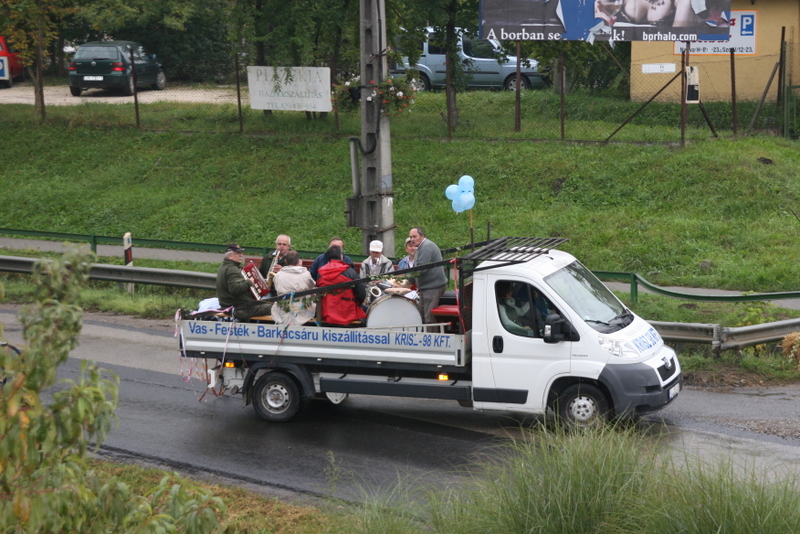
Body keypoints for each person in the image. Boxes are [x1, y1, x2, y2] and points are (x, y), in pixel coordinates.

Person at [216, 243, 273, 321]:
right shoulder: (232, 269)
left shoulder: (223, 267)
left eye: (241, 253)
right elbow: (235, 288)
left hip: (228, 306)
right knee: (274, 308)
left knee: (264, 304)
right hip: (240, 308)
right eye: (238, 253)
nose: (241, 255)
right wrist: (249, 282)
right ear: (229, 256)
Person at [316, 245, 366, 326]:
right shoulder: (350, 272)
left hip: (326, 314)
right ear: (341, 256)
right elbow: (361, 294)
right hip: (348, 314)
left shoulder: (320, 273)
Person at [408, 227, 447, 325]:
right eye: (410, 237)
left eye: (414, 236)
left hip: (433, 287)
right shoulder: (420, 247)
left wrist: (406, 280)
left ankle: (431, 334)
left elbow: (421, 269)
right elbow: (417, 268)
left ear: (422, 236)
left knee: (429, 318)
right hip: (426, 287)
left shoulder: (426, 247)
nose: (412, 239)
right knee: (421, 315)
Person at [270, 250, 316, 326]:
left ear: (285, 261)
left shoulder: (278, 275)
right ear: (298, 261)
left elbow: (276, 288)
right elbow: (312, 286)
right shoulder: (306, 274)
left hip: (282, 310)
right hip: (302, 309)